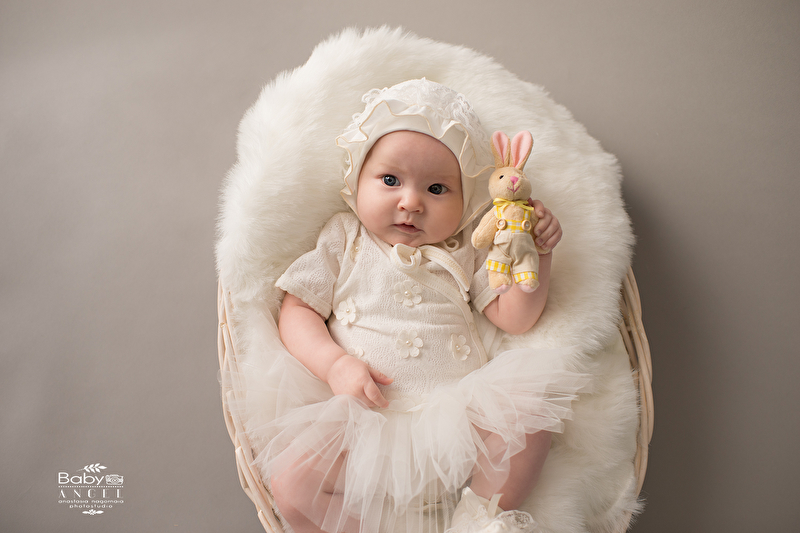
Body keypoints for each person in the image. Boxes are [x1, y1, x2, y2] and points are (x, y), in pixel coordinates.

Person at [259, 79, 587, 533]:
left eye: (436, 188)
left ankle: (478, 519)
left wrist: (538, 252)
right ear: (356, 182)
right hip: (365, 425)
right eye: (390, 180)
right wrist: (334, 364)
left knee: (531, 411)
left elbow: (516, 318)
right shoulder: (344, 237)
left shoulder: (466, 247)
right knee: (291, 484)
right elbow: (298, 310)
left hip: (459, 425)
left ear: (465, 202)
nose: (411, 202)